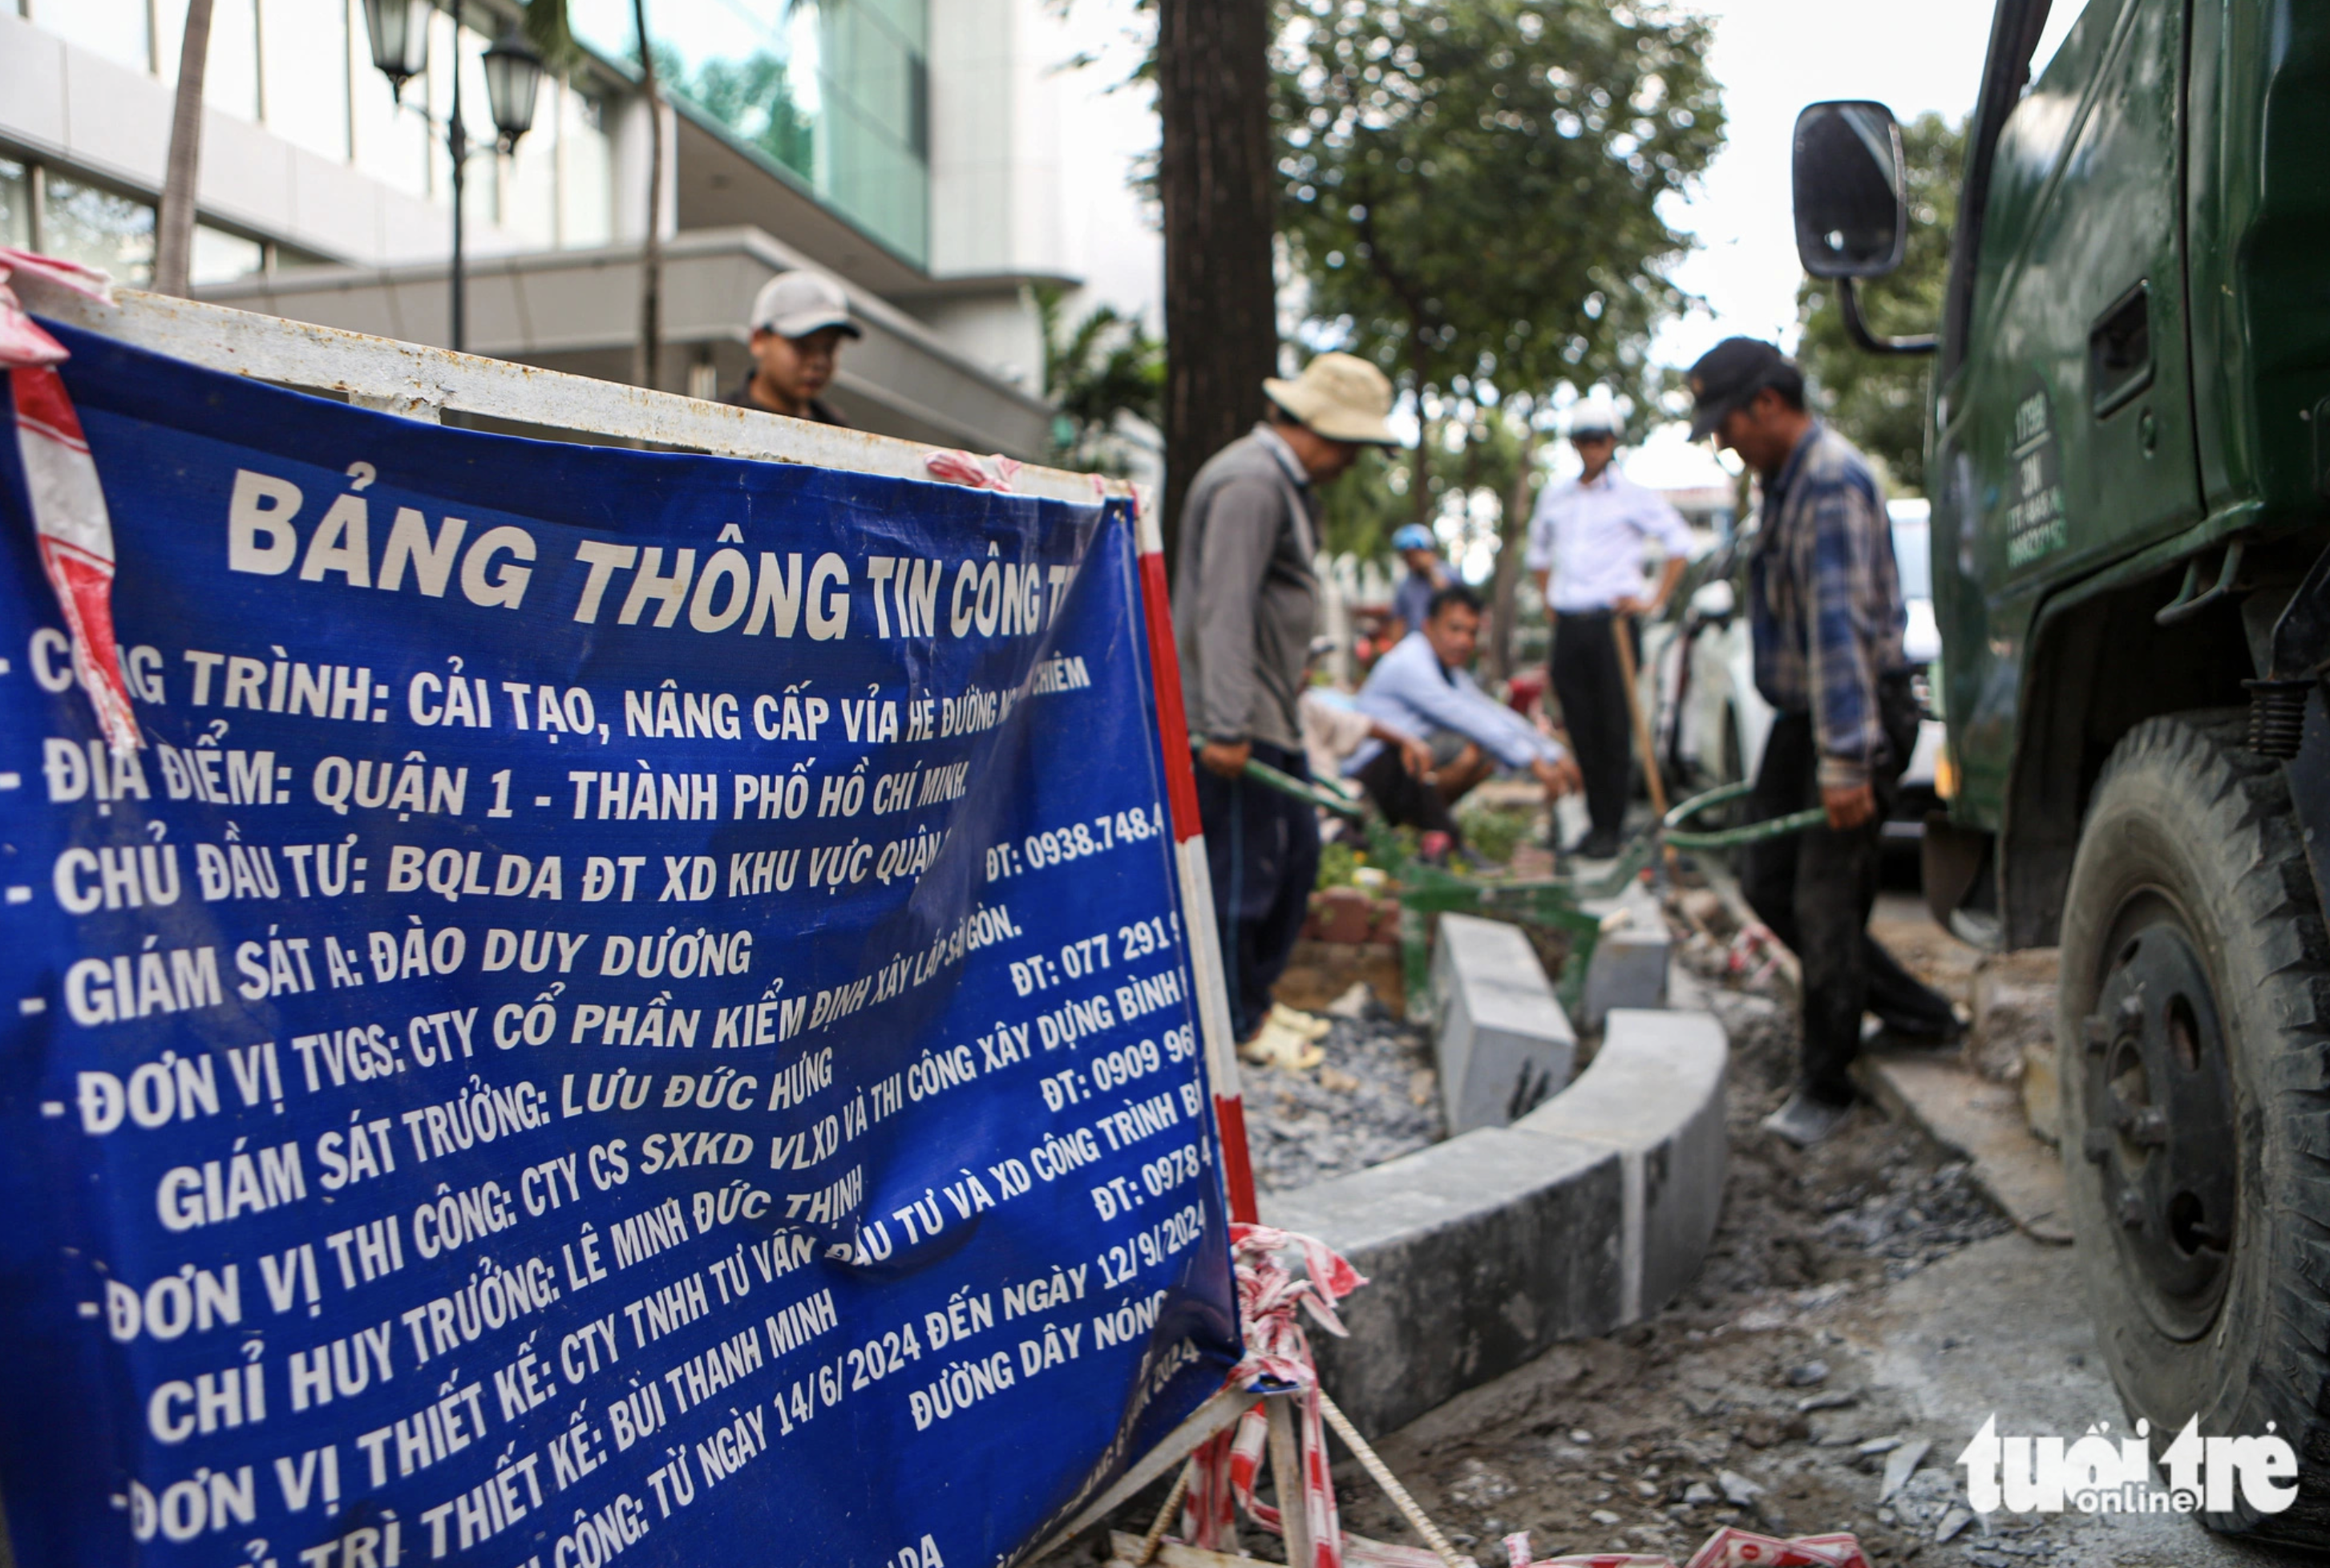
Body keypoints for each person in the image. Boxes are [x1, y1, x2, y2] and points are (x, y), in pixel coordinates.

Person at [1688, 337, 1958, 1148]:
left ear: (1767, 403)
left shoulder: (1830, 482)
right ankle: (1916, 1013)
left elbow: (1838, 634)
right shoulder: (1779, 484)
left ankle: (1826, 1080)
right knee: (1765, 882)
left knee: (1824, 901)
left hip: (1851, 715)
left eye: (1726, 422)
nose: (1722, 441)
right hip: (1804, 716)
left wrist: (1846, 759)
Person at [1175, 353, 1398, 1062]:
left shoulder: (1282, 483)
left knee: (1298, 854)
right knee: (1242, 877)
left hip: (1272, 711)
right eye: (1353, 447)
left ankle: (1254, 1003)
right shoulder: (1251, 481)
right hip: (1235, 720)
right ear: (1320, 430)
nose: (1352, 463)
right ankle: (1233, 1025)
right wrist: (1228, 724)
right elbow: (1223, 610)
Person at [1525, 389, 1693, 860]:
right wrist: (1548, 599)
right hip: (1571, 627)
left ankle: (1611, 830)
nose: (1592, 447)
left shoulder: (1633, 497)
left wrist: (1653, 599)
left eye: (1599, 439)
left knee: (1615, 730)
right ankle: (1596, 824)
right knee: (1580, 728)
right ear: (1574, 443)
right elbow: (1537, 554)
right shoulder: (1555, 497)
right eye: (1583, 439)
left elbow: (1679, 543)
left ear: (1613, 442)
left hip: (1614, 628)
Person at [1345, 584, 1582, 844]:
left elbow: (1487, 710)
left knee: (1483, 749)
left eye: (1471, 632)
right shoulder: (1411, 663)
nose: (1464, 641)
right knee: (1470, 747)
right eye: (1455, 629)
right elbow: (1468, 719)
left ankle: (1427, 833)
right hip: (1370, 774)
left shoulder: (1448, 670)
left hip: (1402, 767)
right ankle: (1432, 834)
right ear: (1428, 626)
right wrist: (1533, 761)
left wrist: (1552, 752)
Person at [722, 271, 858, 424]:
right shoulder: (716, 421)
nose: (818, 362)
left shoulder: (838, 429)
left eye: (829, 348)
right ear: (759, 340)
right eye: (802, 345)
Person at [1385, 523, 1448, 643]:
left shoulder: (1448, 575)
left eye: (1413, 554)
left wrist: (1431, 571)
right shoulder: (1405, 586)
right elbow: (1398, 623)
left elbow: (1451, 602)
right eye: (1406, 556)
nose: (1410, 560)